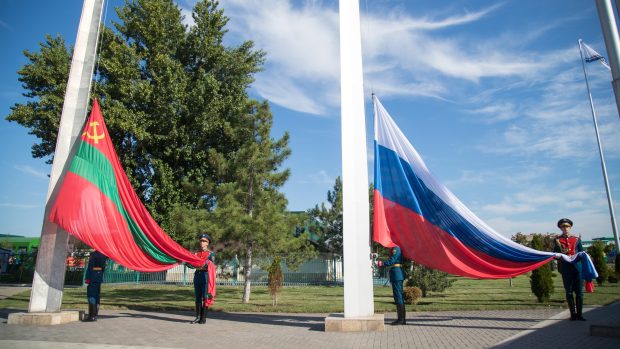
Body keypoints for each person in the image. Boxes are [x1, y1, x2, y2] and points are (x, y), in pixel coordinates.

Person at [553, 218, 586, 321]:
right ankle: (573, 314)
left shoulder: (576, 239)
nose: (565, 228)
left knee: (579, 292)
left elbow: (582, 252)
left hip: (578, 269)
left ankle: (580, 314)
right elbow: (555, 255)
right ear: (560, 228)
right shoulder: (557, 240)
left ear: (570, 227)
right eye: (563, 226)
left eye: (567, 226)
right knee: (569, 292)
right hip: (566, 269)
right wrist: (560, 255)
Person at [190, 233, 216, 324]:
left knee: (205, 297)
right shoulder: (196, 253)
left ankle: (203, 318)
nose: (202, 242)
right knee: (197, 297)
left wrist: (201, 264)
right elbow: (192, 264)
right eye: (201, 241)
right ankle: (197, 317)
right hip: (198, 276)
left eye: (204, 241)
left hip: (206, 276)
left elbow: (211, 265)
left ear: (207, 243)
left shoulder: (210, 254)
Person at [377, 245, 406, 325]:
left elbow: (392, 260)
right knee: (398, 296)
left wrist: (382, 263)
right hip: (397, 274)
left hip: (397, 274)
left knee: (398, 297)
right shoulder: (396, 248)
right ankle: (402, 319)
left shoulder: (396, 248)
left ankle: (401, 319)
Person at [83, 250, 108, 322]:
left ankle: (91, 316)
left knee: (91, 295)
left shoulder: (94, 254)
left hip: (93, 276)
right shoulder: (104, 254)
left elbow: (90, 266)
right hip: (99, 276)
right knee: (97, 295)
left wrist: (87, 278)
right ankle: (95, 315)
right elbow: (103, 267)